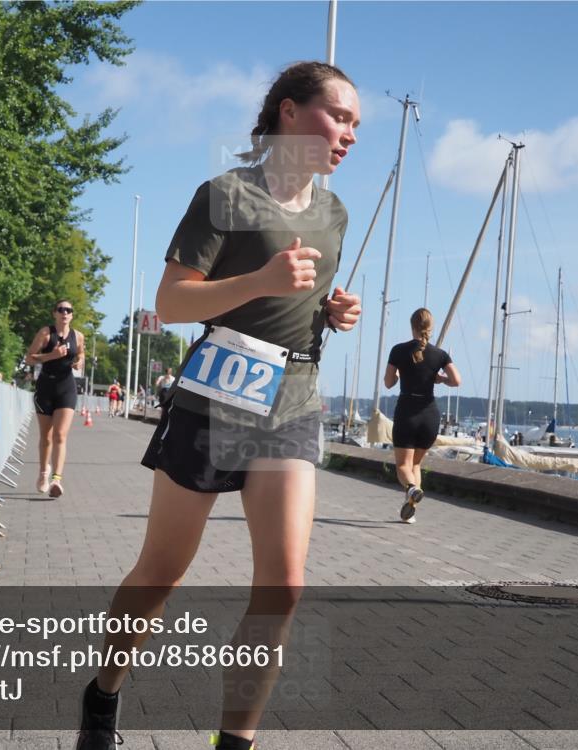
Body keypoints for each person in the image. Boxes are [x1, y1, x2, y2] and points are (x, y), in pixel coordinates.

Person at [73, 61, 361, 750]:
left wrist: (333, 312)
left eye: (356, 123)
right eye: (338, 116)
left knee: (283, 585)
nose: (350, 133)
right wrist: (260, 278)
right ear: (289, 112)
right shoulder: (225, 194)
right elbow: (171, 303)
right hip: (216, 396)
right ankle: (103, 695)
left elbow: (299, 302)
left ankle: (234, 742)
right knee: (161, 572)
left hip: (292, 402)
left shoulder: (334, 214)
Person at [384, 308, 462, 525]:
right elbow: (456, 380)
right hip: (430, 415)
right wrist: (439, 378)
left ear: (412, 326)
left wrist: (398, 374)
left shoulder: (398, 350)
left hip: (407, 412)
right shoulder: (440, 354)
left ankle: (411, 489)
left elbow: (388, 383)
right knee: (415, 465)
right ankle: (411, 510)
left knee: (403, 466)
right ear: (430, 327)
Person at [25, 300, 85, 498]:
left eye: (68, 310)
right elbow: (29, 358)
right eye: (61, 310)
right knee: (46, 436)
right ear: (55, 313)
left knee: (60, 435)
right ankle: (44, 472)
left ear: (72, 315)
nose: (65, 313)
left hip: (66, 387)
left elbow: (81, 353)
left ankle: (56, 480)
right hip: (45, 387)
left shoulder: (78, 336)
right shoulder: (45, 333)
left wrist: (79, 362)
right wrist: (52, 355)